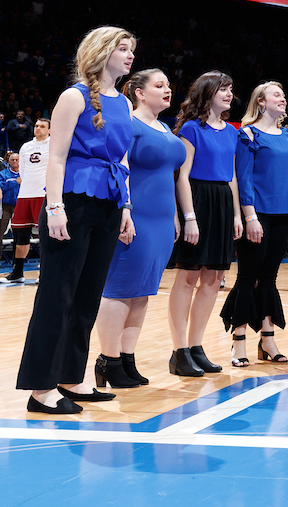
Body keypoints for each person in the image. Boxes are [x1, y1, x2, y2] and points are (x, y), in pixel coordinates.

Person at [17, 26, 136, 414]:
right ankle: (40, 388)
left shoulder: (124, 103)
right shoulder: (74, 96)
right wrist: (54, 207)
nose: (130, 55)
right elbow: (56, 156)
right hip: (73, 200)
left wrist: (126, 208)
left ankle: (70, 376)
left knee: (87, 295)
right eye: (122, 48)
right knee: (58, 294)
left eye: (131, 49)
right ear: (101, 51)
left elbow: (122, 160)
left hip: (110, 202)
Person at [94, 69, 187, 388]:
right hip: (134, 217)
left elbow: (168, 178)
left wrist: (175, 216)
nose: (167, 90)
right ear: (139, 92)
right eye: (159, 85)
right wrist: (126, 210)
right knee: (119, 289)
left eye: (168, 85)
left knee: (142, 291)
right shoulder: (128, 124)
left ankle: (127, 358)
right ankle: (108, 360)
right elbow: (120, 170)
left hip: (162, 221)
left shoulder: (164, 127)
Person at [222, 82, 288, 366]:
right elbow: (243, 177)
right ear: (260, 101)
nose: (283, 99)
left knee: (269, 278)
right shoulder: (247, 135)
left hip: (284, 214)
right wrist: (250, 216)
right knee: (247, 278)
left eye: (283, 95)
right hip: (257, 215)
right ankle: (239, 342)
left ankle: (267, 340)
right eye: (276, 95)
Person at [169, 71, 242, 377]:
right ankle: (179, 351)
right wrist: (189, 217)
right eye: (223, 88)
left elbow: (232, 176)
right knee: (188, 277)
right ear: (208, 92)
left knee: (213, 279)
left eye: (230, 88)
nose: (229, 94)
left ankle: (196, 346)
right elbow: (182, 176)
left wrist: (237, 214)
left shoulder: (232, 131)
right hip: (198, 199)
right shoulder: (191, 128)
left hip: (223, 201)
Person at [7, 117, 50, 282]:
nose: (38, 128)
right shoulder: (26, 146)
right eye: (36, 126)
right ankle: (17, 273)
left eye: (42, 126)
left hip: (43, 194)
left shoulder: (54, 145)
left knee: (46, 235)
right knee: (20, 233)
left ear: (50, 130)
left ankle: (44, 273)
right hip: (25, 194)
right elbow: (23, 172)